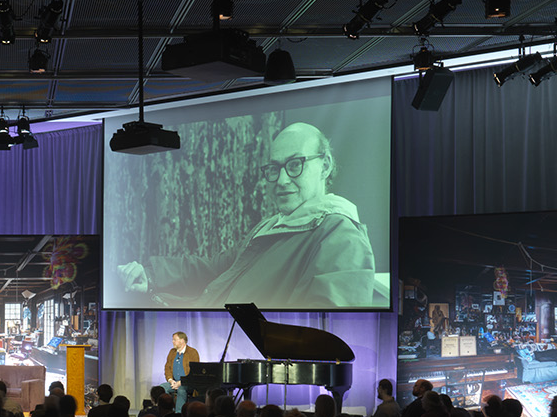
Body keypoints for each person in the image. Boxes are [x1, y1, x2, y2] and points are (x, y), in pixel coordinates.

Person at [117, 122, 377, 308]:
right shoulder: (273, 225)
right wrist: (150, 275)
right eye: (274, 168)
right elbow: (217, 267)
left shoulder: (341, 235)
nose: (282, 180)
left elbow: (326, 327)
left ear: (325, 165)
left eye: (295, 165)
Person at [163, 332, 198, 400]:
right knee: (161, 388)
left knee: (181, 390)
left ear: (182, 340)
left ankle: (179, 410)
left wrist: (181, 382)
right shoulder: (172, 352)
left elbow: (194, 371)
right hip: (174, 382)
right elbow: (167, 368)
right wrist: (170, 380)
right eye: (173, 340)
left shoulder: (192, 352)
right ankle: (169, 410)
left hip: (187, 383)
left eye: (175, 340)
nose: (173, 342)